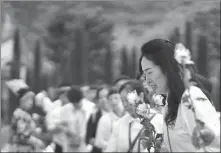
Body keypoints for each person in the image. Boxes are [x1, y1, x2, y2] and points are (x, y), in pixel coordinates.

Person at [139, 39, 220, 152]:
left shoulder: (191, 98)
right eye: (144, 75)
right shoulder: (169, 102)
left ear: (166, 67)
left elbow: (213, 147)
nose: (147, 81)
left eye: (150, 72)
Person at [105, 80, 150, 152]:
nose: (125, 104)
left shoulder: (157, 120)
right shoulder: (120, 123)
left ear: (141, 96)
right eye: (122, 100)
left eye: (128, 99)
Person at [55, 85, 87, 152]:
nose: (77, 105)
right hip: (69, 145)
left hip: (84, 145)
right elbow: (60, 125)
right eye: (74, 103)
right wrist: (67, 130)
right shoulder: (65, 109)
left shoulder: (88, 108)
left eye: (78, 102)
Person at [94, 87, 125, 151]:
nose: (113, 101)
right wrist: (114, 146)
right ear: (108, 101)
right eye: (110, 99)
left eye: (116, 98)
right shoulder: (104, 119)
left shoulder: (129, 116)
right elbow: (99, 142)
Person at [85, 85, 111, 152]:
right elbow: (88, 138)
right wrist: (97, 141)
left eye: (106, 96)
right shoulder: (94, 116)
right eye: (100, 97)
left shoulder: (120, 114)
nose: (103, 99)